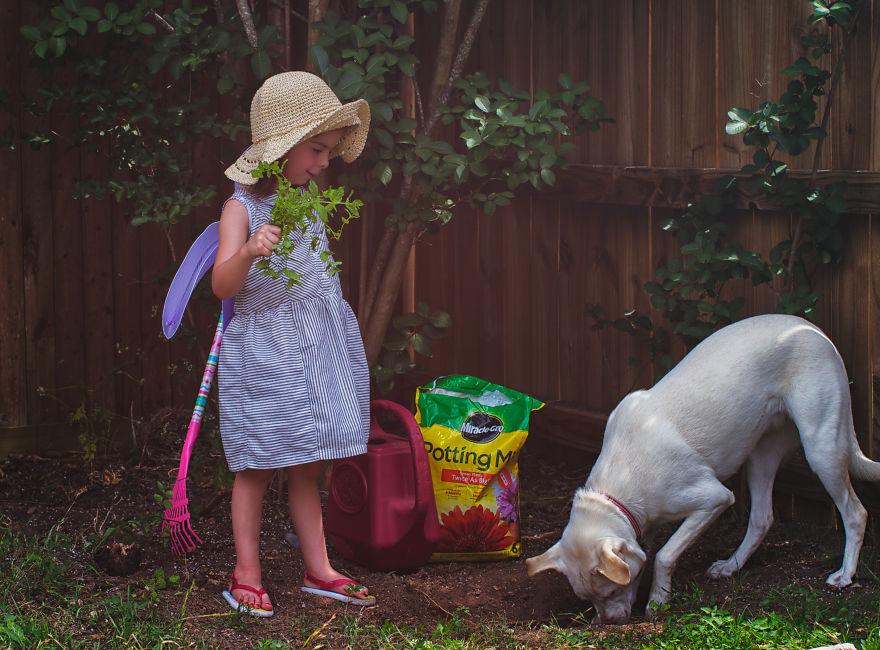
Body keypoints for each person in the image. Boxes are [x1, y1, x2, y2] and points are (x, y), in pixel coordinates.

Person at [211, 71, 374, 616]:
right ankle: (245, 572)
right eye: (318, 149)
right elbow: (222, 286)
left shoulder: (306, 201)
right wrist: (250, 251)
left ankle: (319, 568)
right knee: (257, 463)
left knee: (307, 462)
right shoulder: (243, 209)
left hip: (313, 347)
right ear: (281, 149)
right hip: (265, 351)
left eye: (328, 150)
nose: (325, 161)